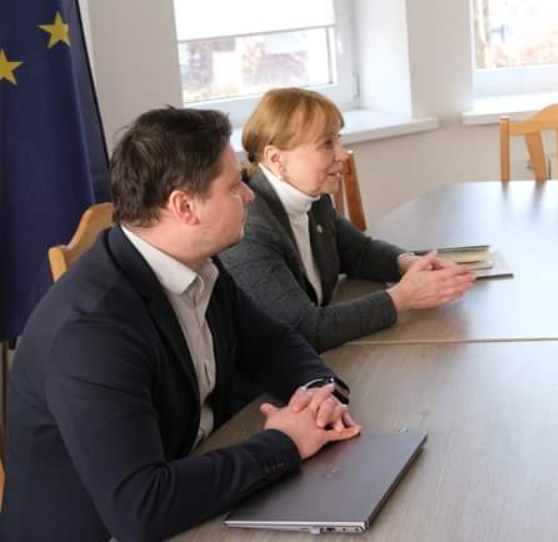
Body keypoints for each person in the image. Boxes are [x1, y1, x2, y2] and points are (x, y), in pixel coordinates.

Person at [1, 108, 361, 542]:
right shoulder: (92, 331)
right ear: (184, 207)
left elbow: (273, 342)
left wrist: (318, 393)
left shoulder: (199, 264)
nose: (249, 196)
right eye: (234, 186)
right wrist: (285, 443)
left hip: (190, 490)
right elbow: (141, 508)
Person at [219, 88, 475, 352]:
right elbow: (305, 329)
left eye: (337, 141)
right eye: (326, 144)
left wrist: (410, 264)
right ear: (277, 159)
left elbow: (359, 252)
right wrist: (402, 298)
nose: (342, 155)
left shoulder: (314, 200)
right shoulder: (250, 228)